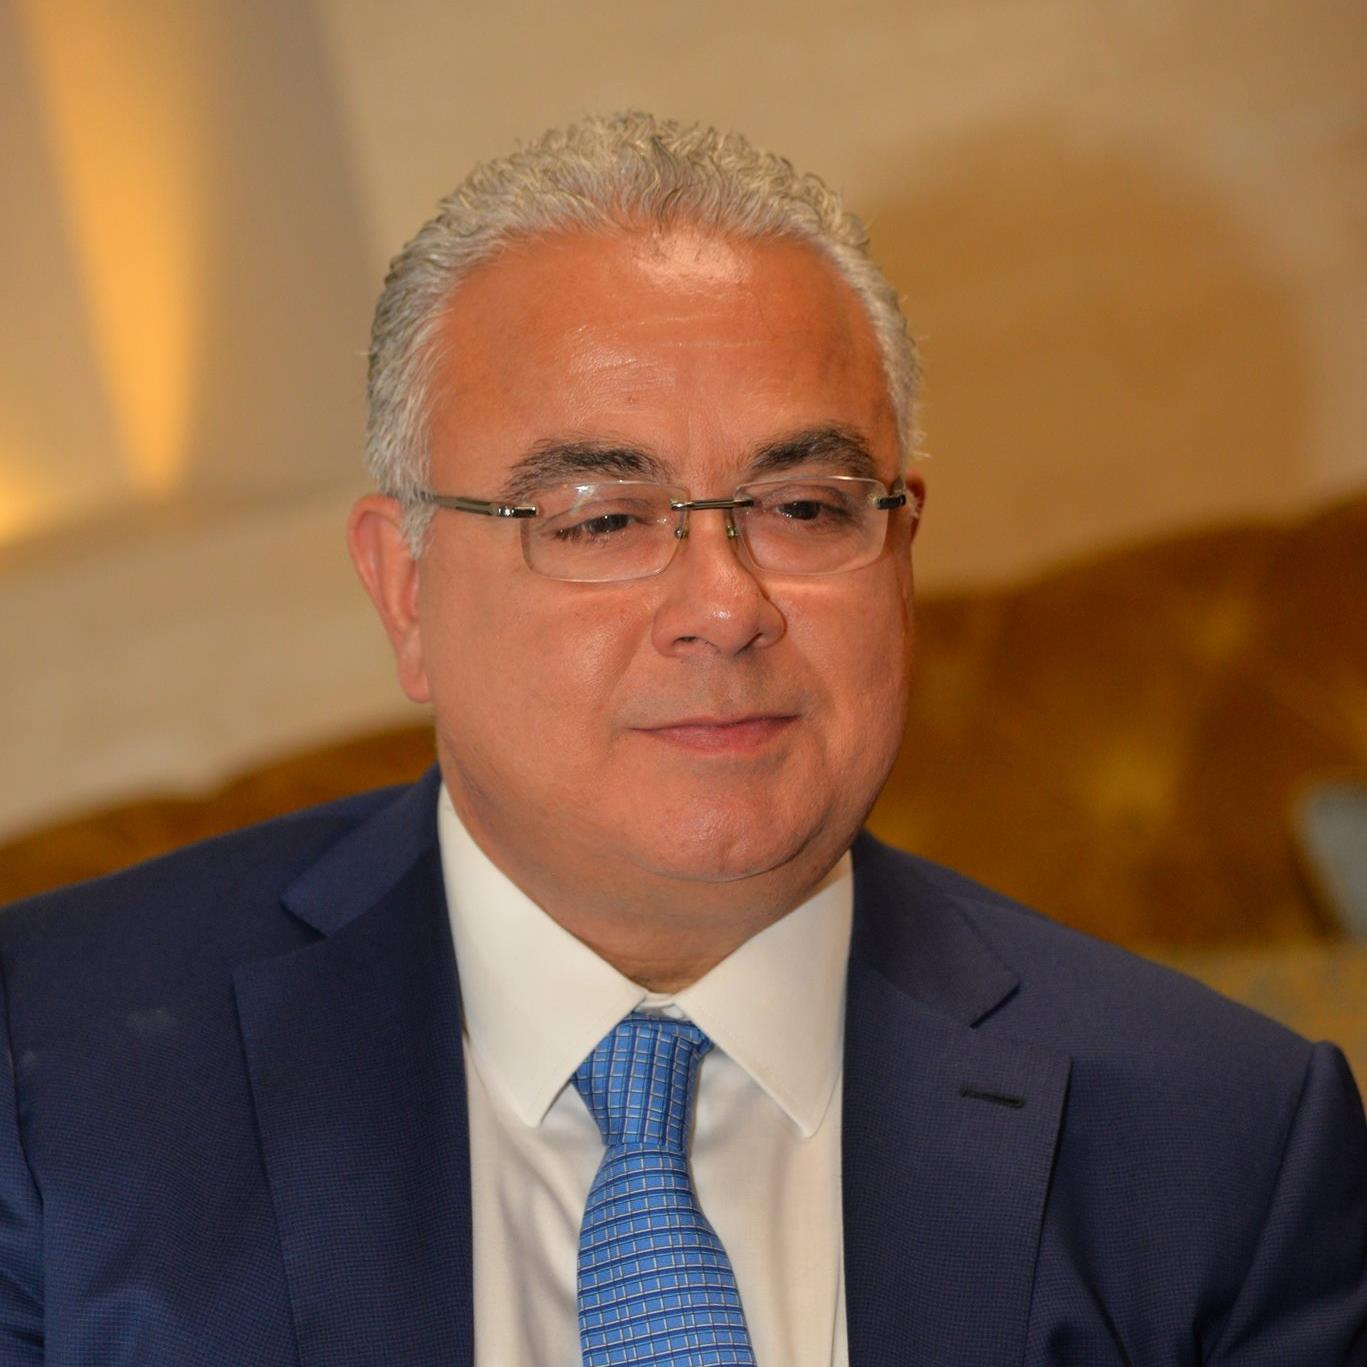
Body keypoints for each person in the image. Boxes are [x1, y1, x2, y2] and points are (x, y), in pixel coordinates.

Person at [0, 112, 1362, 1367]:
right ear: (406, 591)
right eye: (602, 520)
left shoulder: (1226, 1147)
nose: (725, 606)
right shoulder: (50, 1077)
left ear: (902, 551)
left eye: (807, 508)